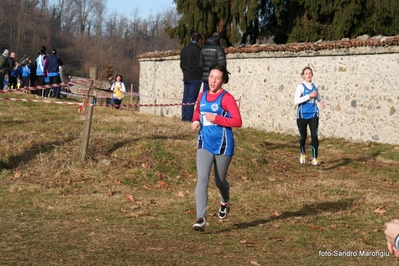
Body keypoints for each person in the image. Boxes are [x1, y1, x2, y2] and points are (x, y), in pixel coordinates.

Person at [191, 63, 242, 231]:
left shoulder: (227, 98)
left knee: (220, 181)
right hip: (204, 142)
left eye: (217, 78)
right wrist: (195, 121)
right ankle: (201, 218)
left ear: (223, 80)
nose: (213, 81)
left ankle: (225, 202)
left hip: (223, 145)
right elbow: (197, 110)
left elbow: (237, 121)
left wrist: (217, 118)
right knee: (202, 179)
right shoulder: (202, 95)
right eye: (211, 77)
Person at [294, 66, 326, 166]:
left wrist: (321, 101)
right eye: (306, 73)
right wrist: (308, 96)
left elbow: (317, 96)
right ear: (303, 76)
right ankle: (303, 153)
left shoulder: (315, 86)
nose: (308, 75)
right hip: (302, 115)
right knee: (303, 136)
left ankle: (315, 158)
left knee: (314, 135)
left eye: (310, 73)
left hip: (313, 114)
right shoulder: (300, 87)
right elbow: (296, 101)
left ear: (312, 75)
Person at [180, 32, 202, 122]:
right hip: (195, 76)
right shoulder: (198, 50)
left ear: (191, 38)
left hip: (186, 75)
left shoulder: (185, 49)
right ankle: (188, 118)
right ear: (199, 40)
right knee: (191, 98)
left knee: (185, 97)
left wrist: (185, 71)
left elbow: (182, 63)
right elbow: (200, 65)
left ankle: (184, 116)